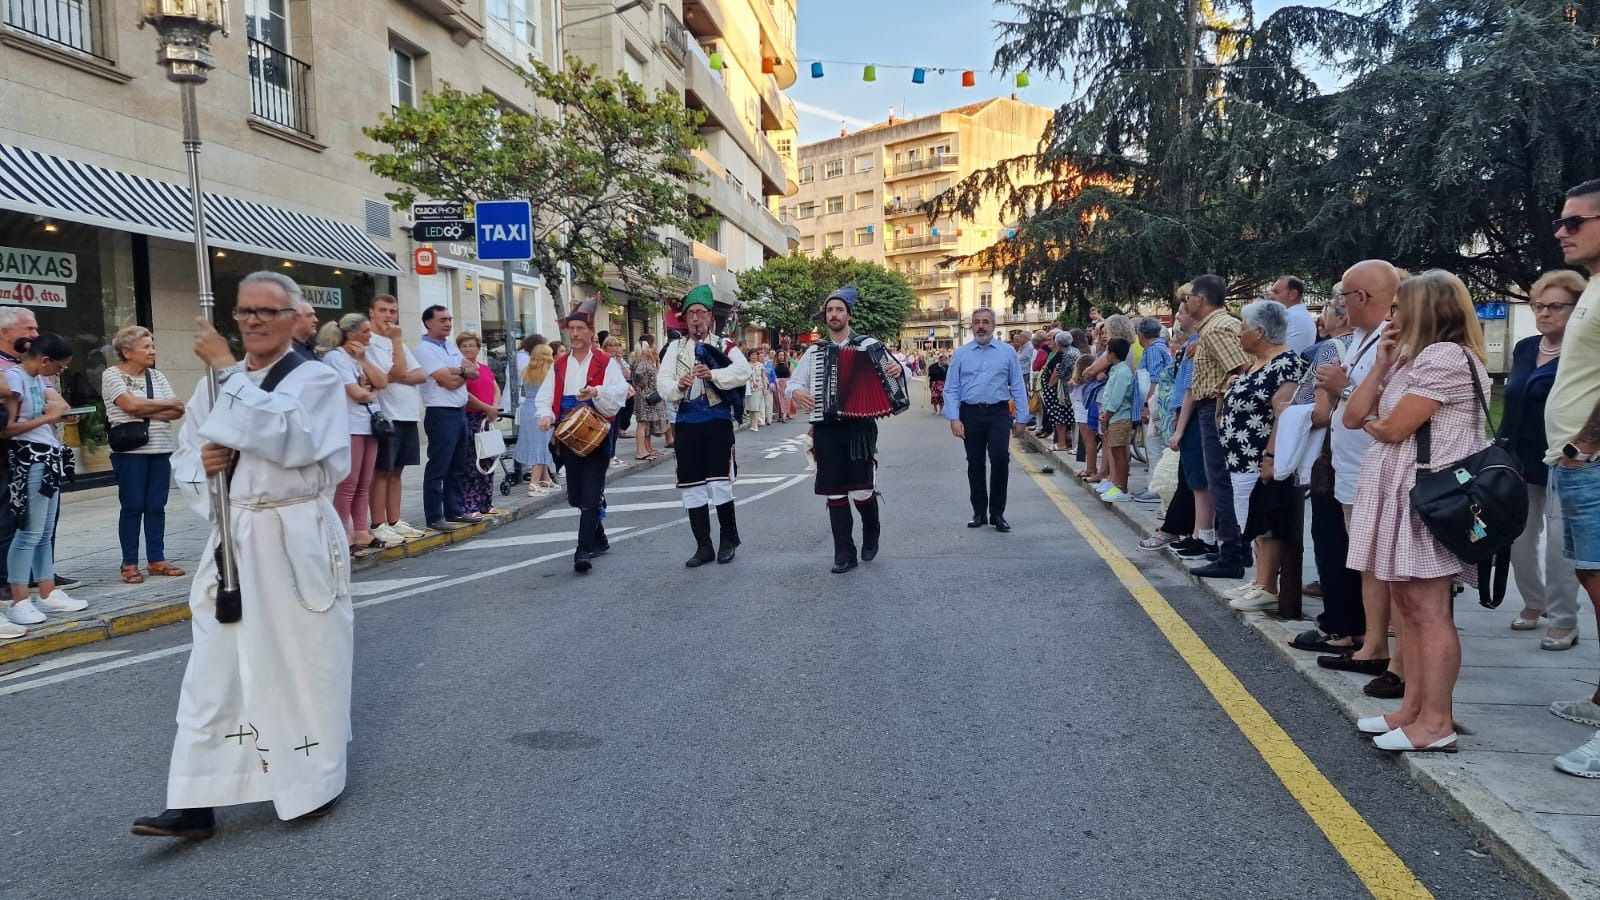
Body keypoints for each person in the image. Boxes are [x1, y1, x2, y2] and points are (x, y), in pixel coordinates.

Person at [133, 271, 353, 838]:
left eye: (266, 311)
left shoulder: (315, 378)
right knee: (214, 669)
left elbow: (293, 437)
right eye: (244, 311)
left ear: (291, 320)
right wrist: (200, 469)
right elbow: (189, 452)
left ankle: (310, 783)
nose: (253, 320)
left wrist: (229, 369)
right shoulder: (213, 382)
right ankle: (195, 797)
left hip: (293, 533)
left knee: (298, 664)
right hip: (234, 534)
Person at [1345, 269, 1489, 754]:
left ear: (1424, 310)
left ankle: (1436, 721)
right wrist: (1381, 364)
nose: (1391, 316)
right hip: (1405, 492)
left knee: (1428, 609)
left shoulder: (1447, 356)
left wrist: (1375, 422)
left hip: (1429, 496)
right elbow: (1353, 416)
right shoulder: (1412, 358)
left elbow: (1394, 428)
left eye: (1399, 307)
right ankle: (1413, 710)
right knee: (1408, 607)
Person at [1314, 261, 1402, 693]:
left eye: (1343, 297)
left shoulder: (1392, 336)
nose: (1340, 305)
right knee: (1366, 562)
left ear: (1362, 298)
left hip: (1376, 468)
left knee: (1379, 564)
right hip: (1353, 469)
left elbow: (1384, 403)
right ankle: (1371, 643)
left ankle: (1382, 647)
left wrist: (1341, 388)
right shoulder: (1364, 338)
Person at [1543, 178, 1600, 778]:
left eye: (1576, 221)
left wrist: (1585, 443)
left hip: (1590, 461)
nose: (1562, 231)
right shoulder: (1593, 289)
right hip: (1576, 462)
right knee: (1589, 578)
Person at [789, 286, 907, 571]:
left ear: (848, 315)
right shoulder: (815, 351)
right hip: (826, 428)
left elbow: (902, 374)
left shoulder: (869, 345)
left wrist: (898, 370)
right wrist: (797, 394)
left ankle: (871, 530)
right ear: (825, 317)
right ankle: (844, 553)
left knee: (862, 491)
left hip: (860, 429)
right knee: (834, 492)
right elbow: (794, 383)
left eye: (839, 309)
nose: (834, 314)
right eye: (830, 310)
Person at [1503, 270, 1586, 649]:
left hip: (1564, 456)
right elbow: (1512, 402)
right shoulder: (1524, 347)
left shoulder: (1582, 352)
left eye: (1556, 306)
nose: (1545, 313)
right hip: (1519, 457)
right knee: (1519, 537)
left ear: (1576, 308)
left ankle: (1564, 618)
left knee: (1558, 544)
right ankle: (1534, 602)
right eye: (1539, 305)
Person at [1219, 300, 1308, 611]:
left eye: (1242, 328)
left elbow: (1283, 414)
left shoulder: (1285, 364)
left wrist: (1270, 456)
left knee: (1263, 521)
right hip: (1239, 457)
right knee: (1250, 519)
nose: (1238, 335)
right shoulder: (1257, 362)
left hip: (1258, 457)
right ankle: (1259, 579)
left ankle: (1268, 584)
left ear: (1259, 331)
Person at [1289, 296, 1365, 656]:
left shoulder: (1331, 351)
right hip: (1367, 460)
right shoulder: (1376, 345)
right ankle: (1362, 627)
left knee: (1332, 541)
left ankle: (1338, 626)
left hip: (1334, 460)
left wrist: (1288, 415)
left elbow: (1320, 412)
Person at [658, 286, 751, 567]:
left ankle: (727, 539)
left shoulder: (724, 346)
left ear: (710, 317)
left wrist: (713, 374)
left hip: (717, 423)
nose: (696, 319)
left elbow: (743, 371)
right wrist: (678, 385)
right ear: (685, 319)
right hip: (686, 424)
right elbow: (662, 384)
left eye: (701, 313)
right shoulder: (674, 348)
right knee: (692, 486)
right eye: (691, 314)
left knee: (720, 483)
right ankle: (703, 546)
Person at [536, 299, 628, 573]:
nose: (574, 334)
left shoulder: (605, 362)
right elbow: (544, 396)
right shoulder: (560, 364)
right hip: (567, 435)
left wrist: (596, 392)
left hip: (596, 433)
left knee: (589, 492)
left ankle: (582, 550)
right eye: (571, 329)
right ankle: (598, 536)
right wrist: (545, 415)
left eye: (579, 329)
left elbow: (620, 391)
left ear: (590, 332)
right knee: (576, 496)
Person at [1, 333, 86, 632]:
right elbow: (7, 428)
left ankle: (47, 593)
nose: (60, 372)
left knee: (44, 532)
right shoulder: (14, 379)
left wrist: (53, 416)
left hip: (47, 456)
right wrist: (47, 418)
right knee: (28, 533)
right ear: (45, 359)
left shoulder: (37, 379)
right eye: (60, 367)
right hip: (29, 460)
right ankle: (19, 600)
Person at [103, 326, 186, 584]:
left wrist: (143, 409)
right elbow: (129, 405)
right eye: (146, 347)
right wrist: (162, 405)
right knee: (133, 505)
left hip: (160, 448)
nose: (153, 351)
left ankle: (156, 559)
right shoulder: (112, 374)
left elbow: (178, 411)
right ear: (127, 352)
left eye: (152, 346)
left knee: (156, 506)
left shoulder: (157, 377)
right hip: (130, 452)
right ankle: (129, 564)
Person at [1186, 275, 1253, 579]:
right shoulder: (1219, 327)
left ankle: (1231, 554)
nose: (1185, 304)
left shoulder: (1215, 330)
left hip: (1216, 408)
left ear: (1200, 299)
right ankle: (1236, 548)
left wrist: (1225, 393)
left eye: (1188, 298)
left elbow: (1243, 368)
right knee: (1222, 481)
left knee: (1220, 481)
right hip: (1214, 406)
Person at [942, 307, 1029, 532]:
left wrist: (1022, 417)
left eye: (986, 322)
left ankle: (998, 513)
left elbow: (1018, 385)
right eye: (977, 322)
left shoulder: (1007, 352)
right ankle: (979, 511)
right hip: (970, 413)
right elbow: (950, 388)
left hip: (998, 412)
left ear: (993, 325)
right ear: (971, 325)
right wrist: (954, 418)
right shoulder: (961, 354)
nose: (981, 326)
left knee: (1000, 458)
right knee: (975, 462)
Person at [318, 314, 389, 560]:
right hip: (349, 426)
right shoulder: (334, 358)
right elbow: (357, 393)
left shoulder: (359, 358)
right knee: (348, 484)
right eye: (366, 331)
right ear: (351, 333)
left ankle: (362, 531)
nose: (370, 335)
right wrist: (372, 391)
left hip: (370, 425)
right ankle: (344, 534)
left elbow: (382, 381)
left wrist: (364, 361)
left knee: (364, 483)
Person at [365, 294, 428, 547]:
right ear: (372, 312)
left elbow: (421, 373)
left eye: (393, 311)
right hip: (386, 413)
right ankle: (378, 523)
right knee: (382, 471)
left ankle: (395, 519)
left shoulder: (394, 342)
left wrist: (397, 371)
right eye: (383, 310)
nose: (389, 316)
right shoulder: (370, 342)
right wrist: (397, 343)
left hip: (407, 412)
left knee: (398, 471)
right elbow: (398, 371)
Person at [413, 305, 479, 532]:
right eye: (442, 319)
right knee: (439, 466)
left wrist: (458, 372)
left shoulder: (450, 346)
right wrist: (462, 372)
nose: (448, 323)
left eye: (450, 319)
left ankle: (455, 510)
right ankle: (434, 515)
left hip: (459, 411)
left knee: (458, 465)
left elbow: (474, 372)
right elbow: (447, 381)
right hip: (441, 412)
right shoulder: (424, 349)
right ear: (428, 323)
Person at [457, 332, 501, 516]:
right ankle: (471, 504)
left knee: (487, 460)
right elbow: (466, 395)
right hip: (470, 418)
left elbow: (495, 388)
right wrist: (486, 408)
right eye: (464, 346)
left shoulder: (483, 368)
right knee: (471, 463)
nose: (468, 349)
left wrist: (494, 408)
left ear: (478, 348)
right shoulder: (460, 369)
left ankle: (486, 502)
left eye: (471, 345)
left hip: (486, 419)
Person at [1134, 317, 1173, 501]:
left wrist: (1147, 406)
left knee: (1154, 446)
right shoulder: (1161, 347)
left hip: (1156, 404)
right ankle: (1153, 483)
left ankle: (1156, 488)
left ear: (1141, 335)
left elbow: (1155, 378)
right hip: (1161, 403)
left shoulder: (1152, 350)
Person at [513, 342, 558, 495]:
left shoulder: (526, 371)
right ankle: (533, 484)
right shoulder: (549, 371)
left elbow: (524, 392)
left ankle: (546, 479)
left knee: (536, 443)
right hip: (541, 410)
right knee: (542, 445)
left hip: (527, 408)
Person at [1041, 331, 1078, 452]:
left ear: (1058, 342)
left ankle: (1061, 443)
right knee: (1060, 416)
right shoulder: (1072, 351)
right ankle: (1063, 442)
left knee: (1058, 416)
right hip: (1060, 389)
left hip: (1058, 390)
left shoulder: (1066, 354)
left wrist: (1049, 385)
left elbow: (1058, 372)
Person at [631, 337, 666, 460]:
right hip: (644, 396)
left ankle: (645, 449)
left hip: (645, 395)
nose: (649, 349)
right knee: (642, 424)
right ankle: (640, 450)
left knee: (645, 424)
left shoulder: (643, 361)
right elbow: (639, 374)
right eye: (646, 348)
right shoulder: (641, 362)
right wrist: (643, 385)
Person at [1270, 275, 1318, 356]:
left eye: (1276, 292)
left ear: (1292, 294)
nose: (1271, 297)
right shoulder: (1301, 315)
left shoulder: (1289, 316)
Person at [744, 348, 768, 432]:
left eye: (755, 354)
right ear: (749, 356)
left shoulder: (761, 365)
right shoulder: (746, 365)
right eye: (752, 354)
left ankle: (755, 425)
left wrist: (765, 388)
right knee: (750, 407)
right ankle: (752, 423)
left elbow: (764, 377)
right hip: (748, 388)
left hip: (758, 387)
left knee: (757, 406)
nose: (754, 356)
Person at [773, 349, 794, 422]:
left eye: (782, 355)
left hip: (786, 382)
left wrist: (791, 384)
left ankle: (784, 415)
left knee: (786, 399)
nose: (781, 356)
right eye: (779, 355)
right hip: (778, 382)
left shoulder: (788, 363)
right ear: (777, 356)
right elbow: (773, 376)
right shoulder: (774, 365)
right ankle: (781, 414)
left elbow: (792, 374)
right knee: (779, 399)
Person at [927, 351, 949, 417]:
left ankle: (941, 409)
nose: (944, 362)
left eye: (945, 360)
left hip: (943, 383)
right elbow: (930, 374)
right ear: (940, 360)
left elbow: (949, 375)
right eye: (943, 360)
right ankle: (935, 408)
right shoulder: (933, 366)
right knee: (934, 397)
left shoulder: (947, 367)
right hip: (934, 383)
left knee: (942, 397)